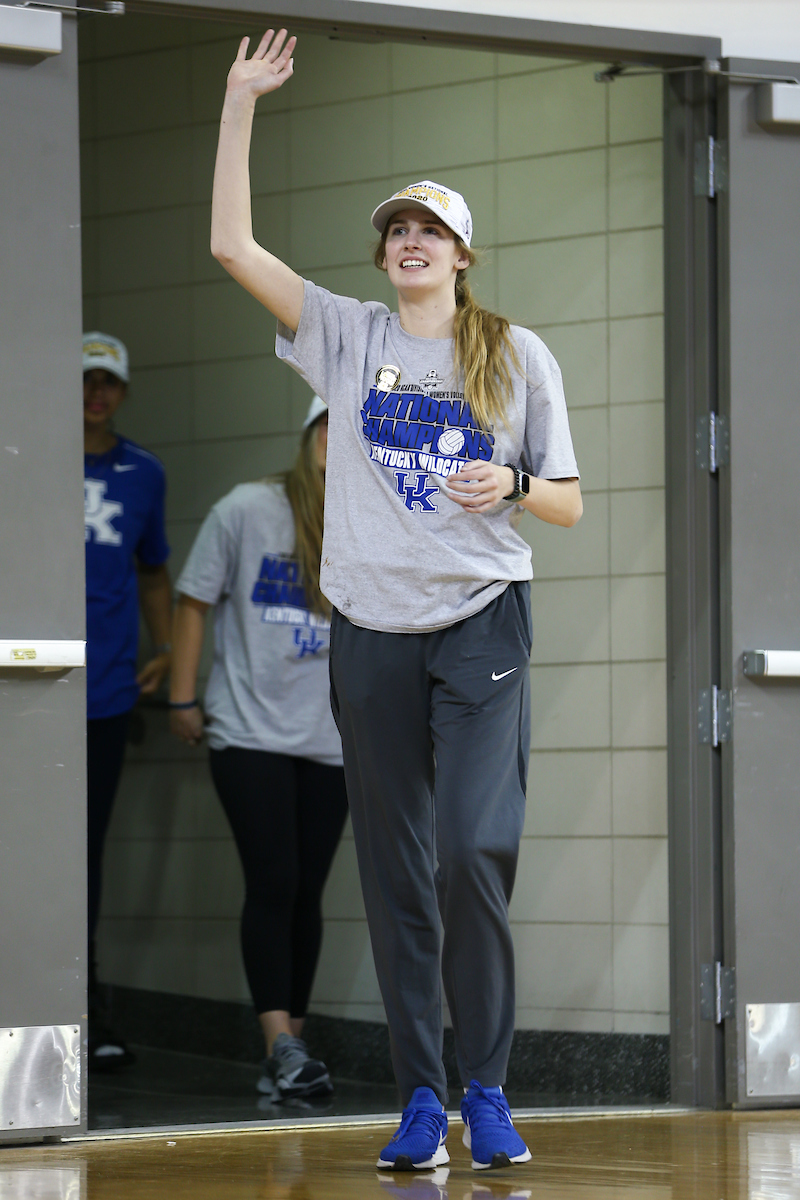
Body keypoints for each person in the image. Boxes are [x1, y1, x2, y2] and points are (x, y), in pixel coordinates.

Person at [209, 29, 582, 1170]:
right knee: (393, 867)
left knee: (472, 850)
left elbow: (564, 503)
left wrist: (511, 481)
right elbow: (229, 243)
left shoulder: (515, 355)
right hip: (367, 631)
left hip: (479, 626)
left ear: (463, 253)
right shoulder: (344, 337)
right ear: (383, 261)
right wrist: (238, 101)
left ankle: (487, 1088)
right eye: (395, 232)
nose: (409, 241)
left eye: (428, 228)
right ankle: (422, 1098)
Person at [169, 396, 347, 1102]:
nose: (337, 438)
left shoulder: (374, 521)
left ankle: (289, 1053)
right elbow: (193, 599)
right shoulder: (246, 507)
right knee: (273, 879)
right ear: (307, 434)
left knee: (307, 890)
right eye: (327, 423)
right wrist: (184, 696)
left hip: (332, 738)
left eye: (352, 425)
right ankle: (280, 1041)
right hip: (249, 730)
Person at [83, 331, 172, 1068]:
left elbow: (154, 574)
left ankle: (83, 1000)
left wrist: (169, 649)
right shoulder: (25, 460)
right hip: (23, 686)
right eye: (85, 381)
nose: (96, 394)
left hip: (105, 690)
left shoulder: (144, 473)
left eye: (107, 382)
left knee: (85, 852)